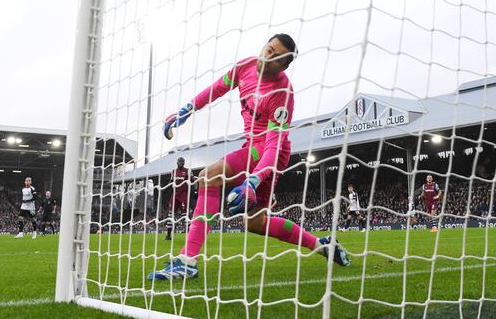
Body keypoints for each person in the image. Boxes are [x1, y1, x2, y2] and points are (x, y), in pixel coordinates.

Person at [149, 34, 349, 281]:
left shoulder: (282, 93)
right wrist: (187, 110)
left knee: (208, 176)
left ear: (284, 66)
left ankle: (187, 261)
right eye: (269, 49)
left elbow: (274, 146)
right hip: (253, 147)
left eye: (277, 57)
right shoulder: (245, 67)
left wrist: (253, 180)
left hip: (268, 151)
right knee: (256, 223)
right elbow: (217, 89)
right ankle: (322, 245)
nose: (269, 56)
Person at [164, 157, 191, 240]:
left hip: (183, 196)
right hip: (175, 195)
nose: (181, 163)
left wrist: (193, 193)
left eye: (182, 161)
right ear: (177, 162)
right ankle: (168, 235)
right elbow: (171, 182)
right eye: (180, 161)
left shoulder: (187, 171)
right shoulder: (173, 171)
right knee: (170, 215)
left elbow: (192, 182)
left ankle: (191, 236)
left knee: (185, 216)